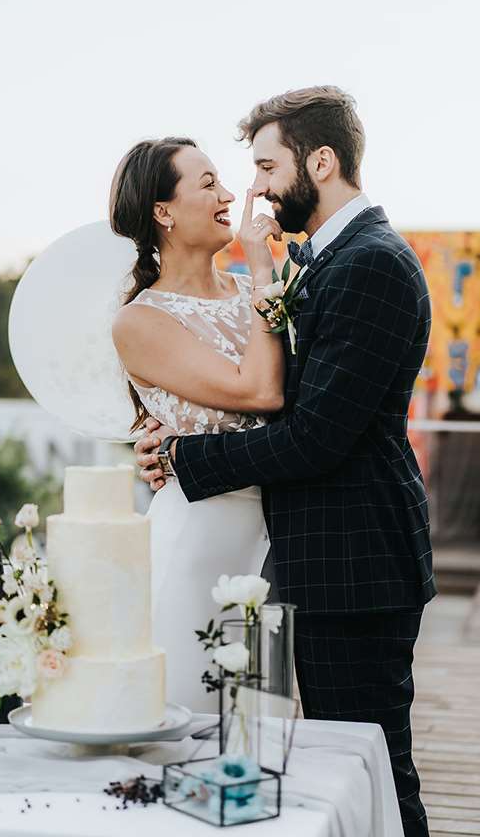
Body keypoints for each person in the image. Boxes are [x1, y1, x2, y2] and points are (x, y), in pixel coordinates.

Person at [134, 87, 436, 837]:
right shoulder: (327, 263)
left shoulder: (370, 265)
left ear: (321, 161)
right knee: (275, 763)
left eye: (267, 166)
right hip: (303, 559)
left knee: (369, 771)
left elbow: (314, 437)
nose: (256, 187)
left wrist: (183, 455)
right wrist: (159, 427)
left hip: (353, 562)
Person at [110, 136, 286, 712]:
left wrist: (261, 284)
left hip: (282, 535)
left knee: (265, 726)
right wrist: (263, 272)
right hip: (199, 540)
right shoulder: (141, 322)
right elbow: (258, 391)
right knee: (188, 715)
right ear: (163, 212)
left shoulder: (252, 295)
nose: (229, 194)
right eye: (208, 183)